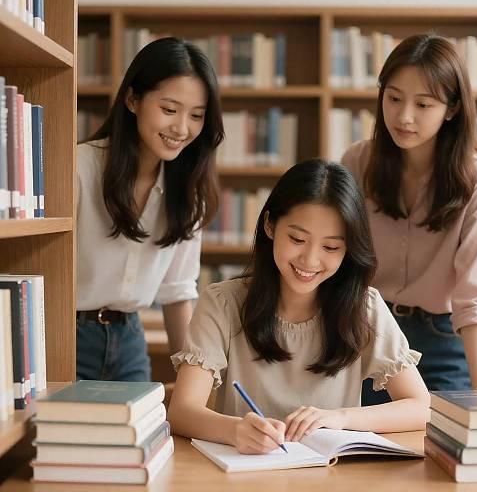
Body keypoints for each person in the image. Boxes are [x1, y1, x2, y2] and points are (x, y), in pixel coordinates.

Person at [169, 159, 430, 455]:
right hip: (244, 474)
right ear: (269, 225)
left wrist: (340, 418)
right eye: (297, 238)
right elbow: (182, 411)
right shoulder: (222, 303)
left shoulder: (364, 307)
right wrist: (234, 430)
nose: (309, 260)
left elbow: (421, 407)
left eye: (330, 247)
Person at [342, 34, 477, 405]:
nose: (404, 116)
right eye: (394, 98)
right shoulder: (356, 164)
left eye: (423, 104)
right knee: (362, 451)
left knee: (443, 450)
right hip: (368, 332)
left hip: (443, 341)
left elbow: (475, 299)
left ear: (451, 109)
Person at [76, 37, 224, 381]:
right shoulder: (79, 169)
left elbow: (177, 294)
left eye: (197, 115)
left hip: (129, 340)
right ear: (132, 99)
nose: (182, 128)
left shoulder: (189, 191)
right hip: (64, 333)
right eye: (169, 110)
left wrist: (191, 387)